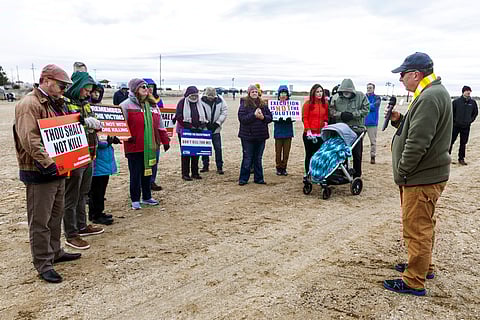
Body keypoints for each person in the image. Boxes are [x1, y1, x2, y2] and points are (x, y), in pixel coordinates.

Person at [383, 52, 452, 296]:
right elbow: (419, 128)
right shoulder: (431, 93)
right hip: (426, 174)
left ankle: (414, 280)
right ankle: (423, 266)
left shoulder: (429, 97)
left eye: (403, 74)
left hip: (421, 177)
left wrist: (402, 171)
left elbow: (418, 142)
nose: (400, 78)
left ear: (416, 74)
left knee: (417, 228)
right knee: (425, 225)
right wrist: (399, 119)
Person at [13, 64, 81, 283]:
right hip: (40, 171)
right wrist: (48, 163)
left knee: (55, 215)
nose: (63, 89)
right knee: (40, 220)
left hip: (58, 169)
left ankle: (55, 251)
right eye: (61, 85)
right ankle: (43, 262)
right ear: (46, 80)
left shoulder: (55, 103)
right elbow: (30, 139)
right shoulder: (29, 105)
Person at [63, 71, 104, 250]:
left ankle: (82, 225)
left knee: (83, 193)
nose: (88, 93)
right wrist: (83, 122)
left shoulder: (85, 104)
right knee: (71, 196)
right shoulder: (64, 104)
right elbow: (63, 125)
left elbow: (91, 122)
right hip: (73, 156)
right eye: (86, 90)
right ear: (78, 87)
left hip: (88, 153)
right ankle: (71, 234)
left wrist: (96, 123)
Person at [120, 79, 165, 209]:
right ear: (135, 89)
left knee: (148, 172)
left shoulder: (151, 104)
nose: (146, 89)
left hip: (149, 145)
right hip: (134, 146)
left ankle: (147, 196)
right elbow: (122, 126)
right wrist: (127, 137)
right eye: (143, 87)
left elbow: (160, 123)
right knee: (135, 173)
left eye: (147, 86)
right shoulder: (126, 105)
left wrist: (163, 139)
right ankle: (135, 198)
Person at [88, 82, 117, 225]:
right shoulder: (88, 111)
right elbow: (93, 136)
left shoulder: (102, 110)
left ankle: (99, 212)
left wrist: (114, 137)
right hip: (96, 155)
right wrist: (107, 141)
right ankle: (95, 214)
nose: (96, 95)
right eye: (94, 92)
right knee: (95, 189)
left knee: (101, 187)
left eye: (99, 92)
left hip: (105, 155)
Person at [329, 79, 369, 178]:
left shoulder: (361, 96)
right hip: (341, 130)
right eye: (344, 91)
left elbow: (366, 109)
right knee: (341, 152)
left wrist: (353, 115)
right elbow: (331, 110)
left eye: (348, 91)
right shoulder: (335, 98)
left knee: (357, 154)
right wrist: (340, 115)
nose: (346, 93)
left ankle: (357, 175)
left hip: (357, 130)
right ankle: (342, 171)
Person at [238, 84, 273, 185]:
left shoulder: (263, 104)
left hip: (261, 136)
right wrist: (254, 115)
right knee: (247, 158)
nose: (254, 93)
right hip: (247, 136)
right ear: (249, 93)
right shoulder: (244, 104)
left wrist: (263, 118)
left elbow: (270, 117)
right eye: (252, 91)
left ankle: (259, 178)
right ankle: (243, 179)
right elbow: (242, 119)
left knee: (258, 158)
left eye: (256, 92)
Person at [175, 86, 208, 180]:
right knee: (186, 153)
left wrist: (201, 126)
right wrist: (189, 126)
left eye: (195, 95)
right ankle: (185, 173)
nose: (194, 97)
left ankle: (195, 172)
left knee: (196, 152)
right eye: (192, 95)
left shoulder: (200, 103)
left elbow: (204, 116)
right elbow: (179, 116)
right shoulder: (182, 102)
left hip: (197, 131)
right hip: (184, 131)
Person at [143, 78, 170, 190]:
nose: (149, 89)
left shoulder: (157, 101)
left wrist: (165, 138)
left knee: (155, 159)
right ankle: (143, 182)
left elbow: (162, 118)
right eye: (147, 86)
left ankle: (152, 181)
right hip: (144, 136)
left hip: (156, 136)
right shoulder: (137, 102)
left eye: (151, 87)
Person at [302, 84, 329, 180]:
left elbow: (326, 116)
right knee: (309, 154)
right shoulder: (308, 104)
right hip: (309, 134)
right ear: (313, 92)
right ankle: (307, 173)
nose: (319, 93)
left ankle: (317, 173)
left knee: (319, 155)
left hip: (320, 134)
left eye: (321, 91)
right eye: (317, 92)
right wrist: (308, 130)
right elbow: (305, 118)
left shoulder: (325, 103)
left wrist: (325, 123)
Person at [200, 87, 228, 174]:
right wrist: (206, 123)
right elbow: (199, 112)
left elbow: (224, 111)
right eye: (209, 97)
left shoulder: (221, 100)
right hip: (205, 128)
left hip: (216, 129)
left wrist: (217, 123)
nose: (210, 98)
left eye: (212, 97)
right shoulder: (200, 100)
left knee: (218, 148)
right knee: (204, 148)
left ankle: (219, 167)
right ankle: (205, 166)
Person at [449, 86, 478, 165]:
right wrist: (454, 122)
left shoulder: (472, 102)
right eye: (467, 91)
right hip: (456, 126)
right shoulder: (456, 102)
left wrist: (470, 121)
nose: (468, 92)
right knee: (451, 141)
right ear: (463, 92)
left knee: (463, 143)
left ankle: (461, 159)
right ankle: (447, 157)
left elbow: (475, 113)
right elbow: (451, 113)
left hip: (466, 126)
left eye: (469, 91)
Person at [273, 85, 294, 176]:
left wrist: (290, 118)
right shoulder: (275, 105)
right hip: (278, 131)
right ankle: (278, 167)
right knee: (278, 152)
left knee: (286, 152)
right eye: (281, 93)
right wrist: (277, 119)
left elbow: (295, 115)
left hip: (288, 132)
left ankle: (284, 167)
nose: (283, 95)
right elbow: (272, 116)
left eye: (285, 93)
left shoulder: (291, 105)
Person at [364, 83, 382, 164]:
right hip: (363, 123)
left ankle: (372, 156)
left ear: (374, 89)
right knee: (359, 141)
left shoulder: (377, 98)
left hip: (372, 123)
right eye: (368, 88)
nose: (369, 89)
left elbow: (373, 107)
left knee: (373, 142)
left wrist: (366, 106)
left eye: (370, 88)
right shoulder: (364, 97)